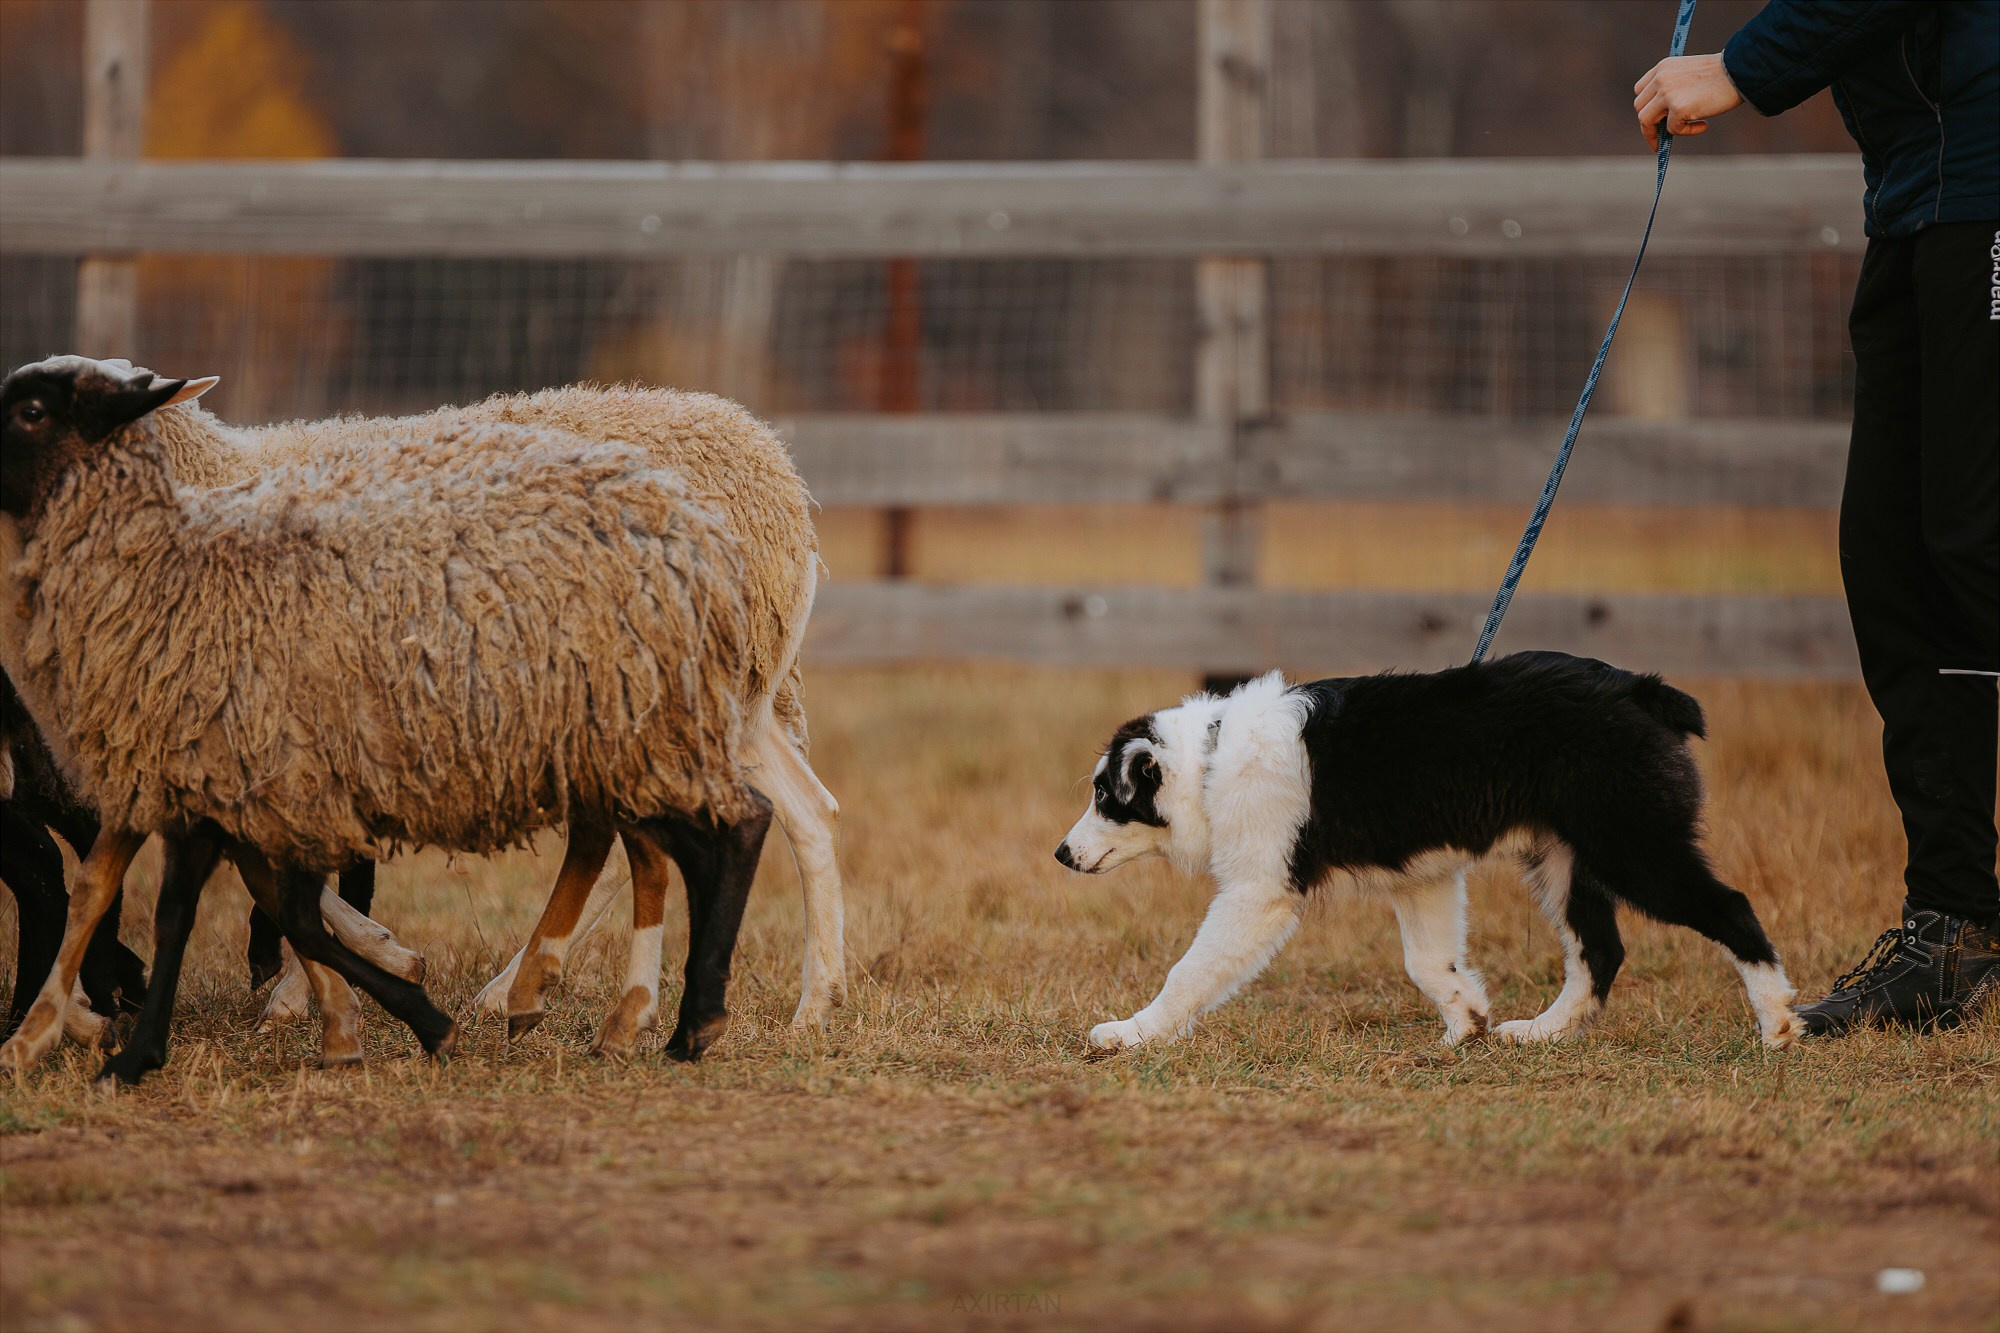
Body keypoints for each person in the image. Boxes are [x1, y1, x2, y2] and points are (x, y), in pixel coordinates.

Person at [1632, 0, 1998, 1035]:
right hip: (1916, 196)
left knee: (1974, 550)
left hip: (1984, 189)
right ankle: (1954, 924)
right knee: (1894, 568)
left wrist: (1741, 67)